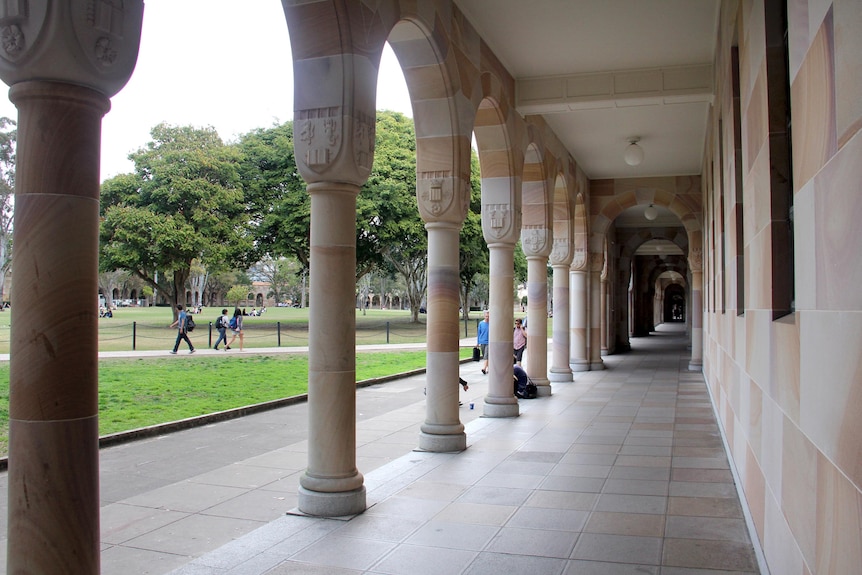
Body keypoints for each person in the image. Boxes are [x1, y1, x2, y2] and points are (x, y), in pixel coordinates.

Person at [476, 310, 490, 374]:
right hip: (482, 341)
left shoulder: (491, 323)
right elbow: (479, 333)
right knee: (485, 355)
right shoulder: (481, 323)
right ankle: (489, 368)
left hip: (489, 342)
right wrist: (478, 342)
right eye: (486, 316)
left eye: (488, 316)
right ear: (484, 316)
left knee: (486, 356)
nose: (487, 317)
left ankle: (484, 368)